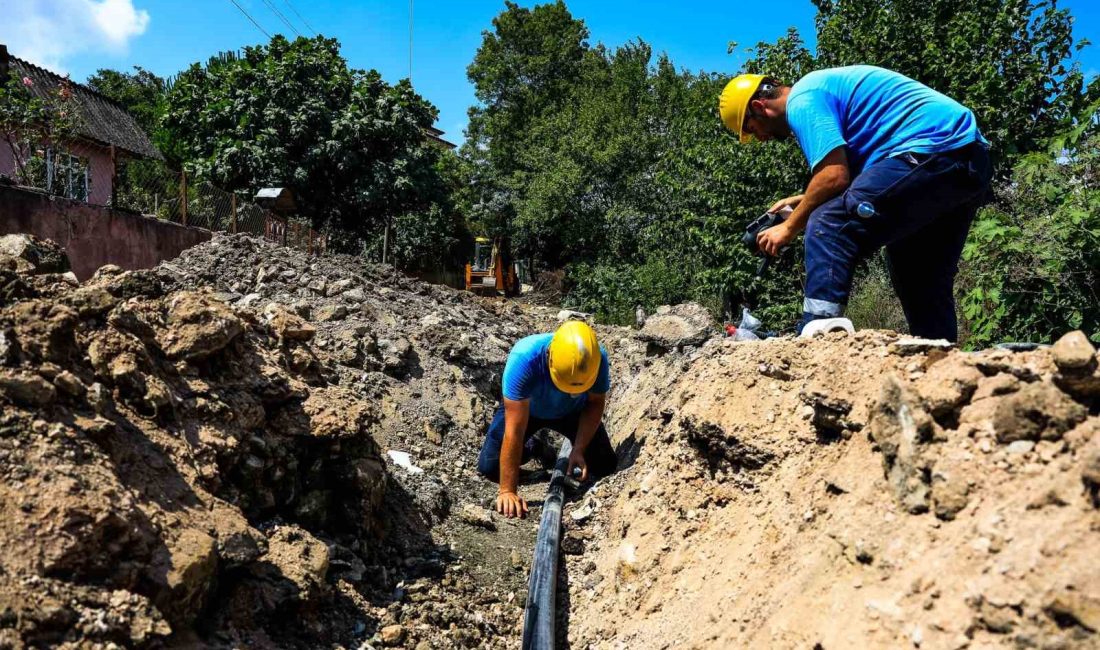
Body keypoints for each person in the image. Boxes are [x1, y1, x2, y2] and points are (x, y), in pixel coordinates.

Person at [718, 65, 993, 342]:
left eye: (753, 130)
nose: (760, 139)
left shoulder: (802, 99)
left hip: (933, 149)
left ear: (759, 106)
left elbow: (833, 176)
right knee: (917, 272)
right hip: (964, 161)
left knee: (829, 222)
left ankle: (817, 333)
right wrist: (804, 201)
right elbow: (865, 182)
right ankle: (939, 355)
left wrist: (789, 227)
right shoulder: (822, 90)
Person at [476, 320, 617, 518]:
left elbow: (594, 403)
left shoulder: (595, 359)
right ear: (550, 357)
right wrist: (507, 491)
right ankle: (536, 447)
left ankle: (561, 450)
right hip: (528, 411)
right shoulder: (524, 359)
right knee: (490, 467)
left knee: (605, 465)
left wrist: (579, 449)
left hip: (573, 412)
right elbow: (514, 429)